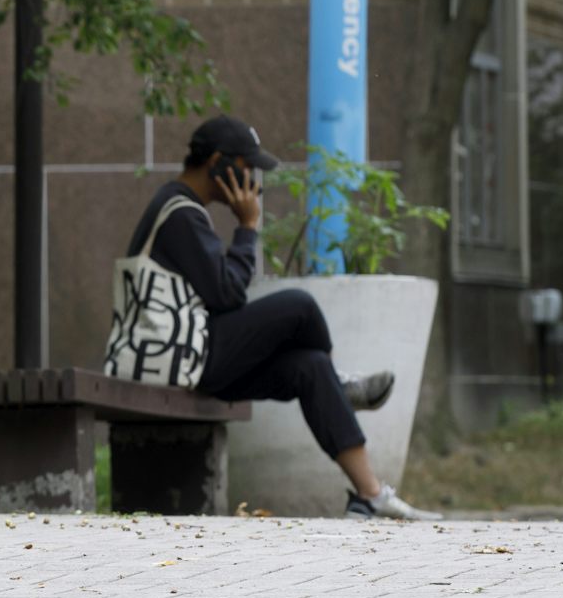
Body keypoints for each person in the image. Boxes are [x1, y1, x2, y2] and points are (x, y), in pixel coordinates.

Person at [106, 115, 441, 520]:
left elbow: (217, 296)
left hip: (191, 357)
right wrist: (248, 227)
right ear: (217, 162)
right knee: (299, 307)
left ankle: (369, 495)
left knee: (310, 367)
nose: (253, 180)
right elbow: (228, 295)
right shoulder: (179, 212)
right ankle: (342, 385)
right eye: (247, 167)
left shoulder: (185, 210)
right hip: (180, 361)